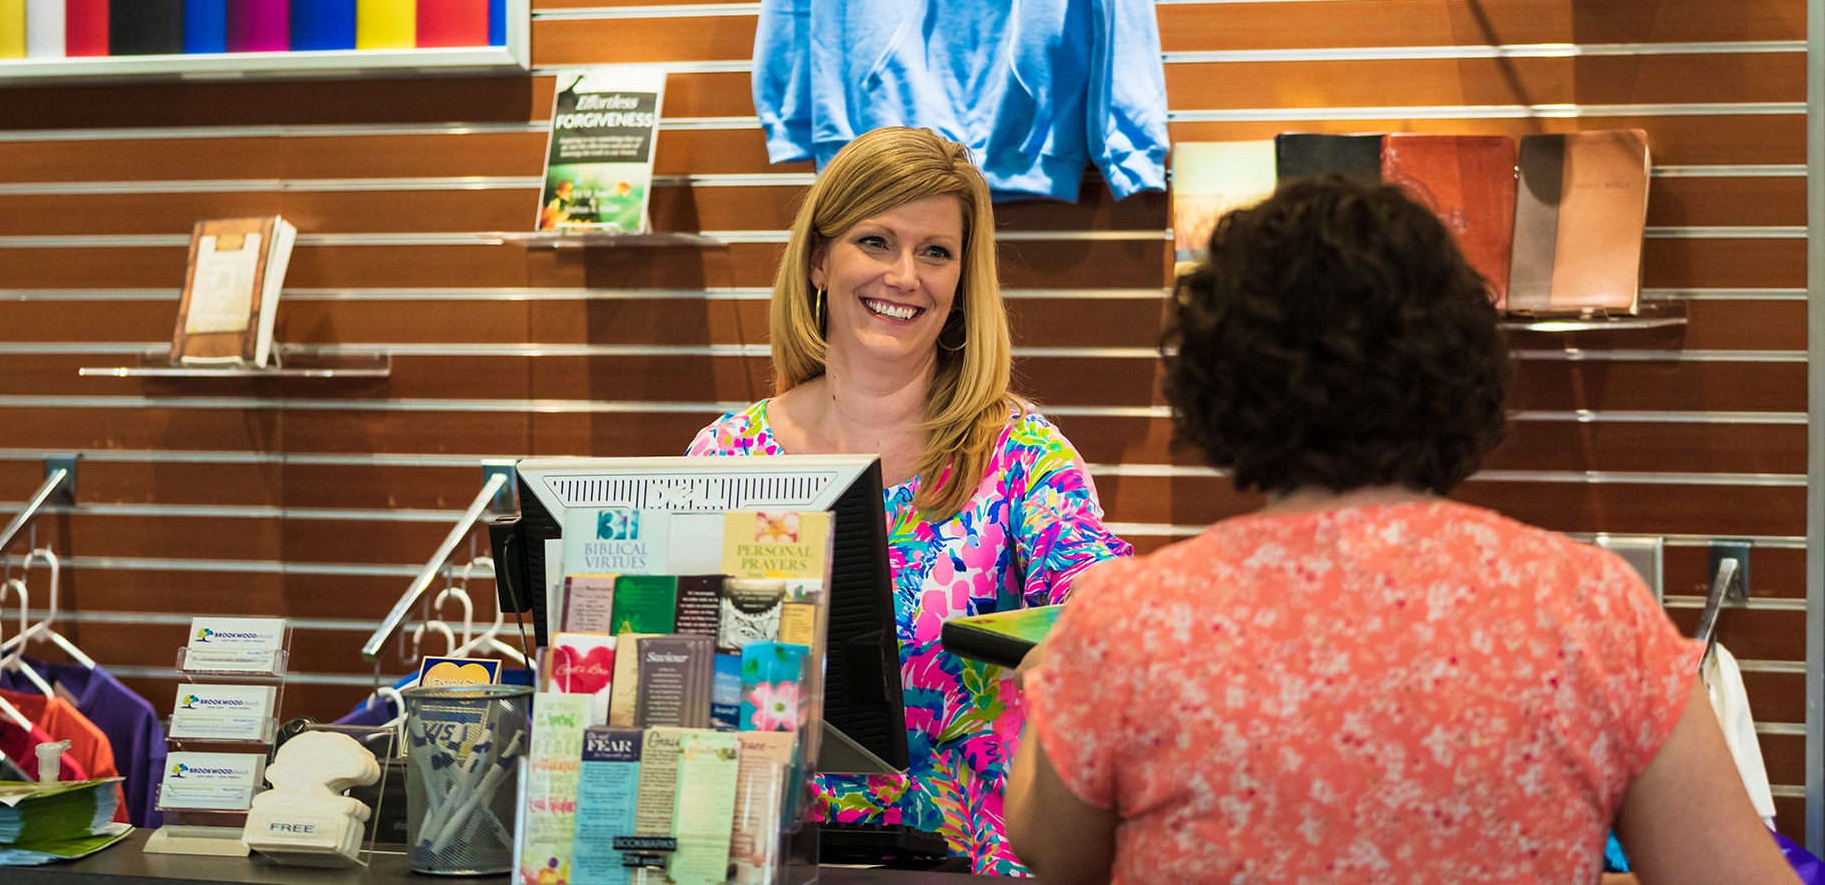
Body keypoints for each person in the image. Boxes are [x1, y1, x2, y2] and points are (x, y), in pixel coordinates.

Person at [1007, 177, 1798, 885]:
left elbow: (1050, 850)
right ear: (1461, 363)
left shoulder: (1128, 621)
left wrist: (1057, 690)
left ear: (1218, 377)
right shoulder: (1594, 611)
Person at [687, 126, 1130, 874]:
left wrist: (1087, 635)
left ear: (961, 283)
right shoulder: (725, 458)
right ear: (820, 260)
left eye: (936, 252)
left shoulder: (1023, 458)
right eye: (876, 240)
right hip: (764, 857)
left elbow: (1099, 611)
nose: (904, 275)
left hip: (972, 864)